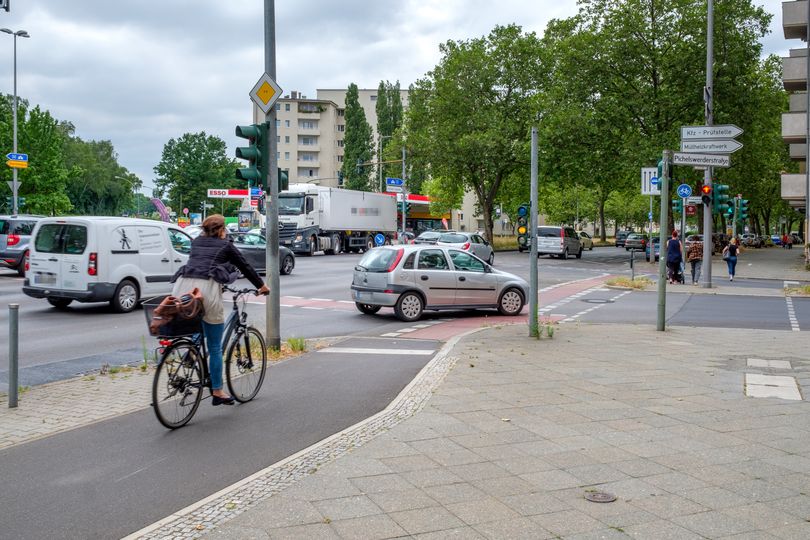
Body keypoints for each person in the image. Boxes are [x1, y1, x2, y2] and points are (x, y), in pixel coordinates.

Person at [172, 215, 269, 405]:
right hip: (206, 289)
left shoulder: (197, 241)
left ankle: (191, 355)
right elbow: (245, 266)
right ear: (222, 229)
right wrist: (261, 286)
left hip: (184, 287)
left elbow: (204, 262)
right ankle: (217, 391)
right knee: (215, 346)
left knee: (198, 323)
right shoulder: (226, 245)